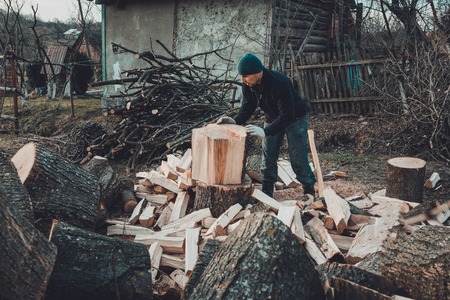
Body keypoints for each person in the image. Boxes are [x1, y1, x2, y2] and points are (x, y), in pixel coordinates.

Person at [217, 53, 316, 198]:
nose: (242, 79)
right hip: (272, 116)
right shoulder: (249, 85)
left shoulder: (280, 82)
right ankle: (267, 193)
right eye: (241, 76)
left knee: (298, 159)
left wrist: (265, 131)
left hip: (294, 118)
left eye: (245, 76)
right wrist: (235, 121)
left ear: (258, 72)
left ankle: (309, 190)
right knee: (268, 156)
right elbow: (248, 106)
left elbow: (287, 115)